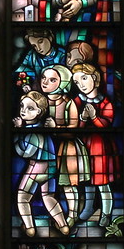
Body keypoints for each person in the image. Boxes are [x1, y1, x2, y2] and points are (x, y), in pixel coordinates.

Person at [13, 91, 69, 237]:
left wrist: (18, 132)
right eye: (22, 106)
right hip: (51, 167)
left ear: (39, 112)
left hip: (37, 167)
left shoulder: (33, 132)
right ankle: (63, 225)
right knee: (48, 196)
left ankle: (29, 228)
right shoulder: (43, 129)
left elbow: (25, 152)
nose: (23, 111)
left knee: (22, 197)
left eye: (30, 108)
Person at [40, 65, 90, 227]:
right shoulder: (41, 101)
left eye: (52, 80)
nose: (45, 82)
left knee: (68, 184)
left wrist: (56, 127)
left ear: (63, 82)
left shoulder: (69, 103)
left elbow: (73, 130)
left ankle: (72, 215)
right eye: (43, 78)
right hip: (47, 148)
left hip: (68, 148)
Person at [71, 62, 119, 227]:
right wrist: (83, 119)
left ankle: (106, 213)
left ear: (95, 78)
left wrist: (94, 117)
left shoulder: (105, 102)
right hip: (83, 146)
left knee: (103, 183)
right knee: (88, 182)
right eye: (77, 82)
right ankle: (88, 209)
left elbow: (106, 124)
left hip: (101, 147)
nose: (81, 84)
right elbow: (75, 126)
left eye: (84, 78)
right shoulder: (77, 101)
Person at [15, 28, 66, 92]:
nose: (38, 48)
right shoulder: (32, 55)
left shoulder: (62, 55)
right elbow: (20, 68)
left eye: (40, 42)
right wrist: (31, 77)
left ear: (50, 38)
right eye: (34, 46)